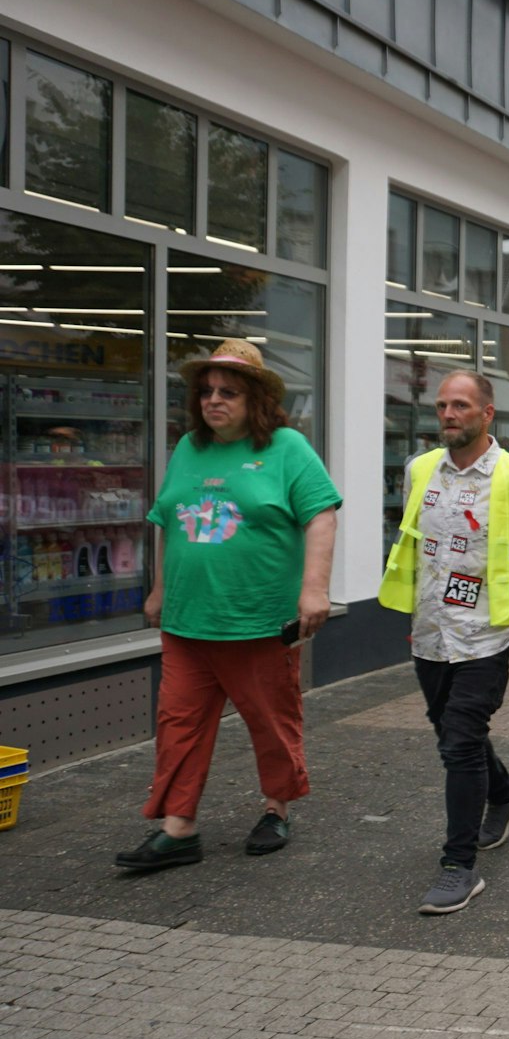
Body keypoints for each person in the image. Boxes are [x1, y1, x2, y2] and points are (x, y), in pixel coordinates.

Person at [116, 340, 341, 872]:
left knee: (271, 720)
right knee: (179, 723)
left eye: (228, 392)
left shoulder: (287, 448)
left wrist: (314, 589)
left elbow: (322, 517)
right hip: (189, 621)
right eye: (207, 392)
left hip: (258, 620)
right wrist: (159, 589)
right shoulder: (189, 449)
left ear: (255, 398)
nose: (214, 400)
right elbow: (168, 522)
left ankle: (276, 808)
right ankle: (179, 827)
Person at [378, 370, 509, 915]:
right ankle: (506, 794)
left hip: (488, 635)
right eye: (442, 405)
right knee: (450, 731)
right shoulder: (419, 470)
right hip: (429, 633)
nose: (448, 414)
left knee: (461, 742)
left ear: (486, 414)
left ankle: (458, 866)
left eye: (461, 406)